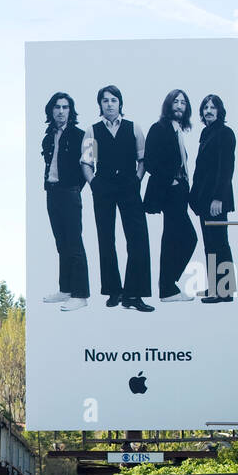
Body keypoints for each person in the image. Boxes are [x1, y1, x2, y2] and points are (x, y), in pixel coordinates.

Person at [86, 85, 153, 313]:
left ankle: (134, 294)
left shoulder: (134, 128)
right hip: (103, 186)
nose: (109, 104)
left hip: (129, 185)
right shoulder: (92, 130)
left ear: (120, 103)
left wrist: (137, 179)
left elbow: (142, 159)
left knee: (138, 239)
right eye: (105, 100)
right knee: (106, 239)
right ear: (100, 105)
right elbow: (86, 163)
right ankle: (114, 291)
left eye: (113, 100)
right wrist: (94, 183)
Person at [40, 93, 93, 311]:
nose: (61, 111)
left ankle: (81, 294)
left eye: (65, 107)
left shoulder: (84, 136)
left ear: (70, 111)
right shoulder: (47, 136)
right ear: (51, 111)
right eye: (57, 107)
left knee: (74, 242)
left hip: (70, 192)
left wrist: (74, 188)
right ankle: (66, 289)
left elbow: (90, 164)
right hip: (51, 192)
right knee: (61, 243)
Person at [143, 89, 197, 304]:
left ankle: (167, 288)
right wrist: (171, 180)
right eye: (176, 101)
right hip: (169, 190)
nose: (180, 105)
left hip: (181, 191)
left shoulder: (179, 132)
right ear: (168, 105)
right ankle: (167, 286)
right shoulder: (159, 129)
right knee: (187, 238)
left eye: (183, 102)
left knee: (173, 238)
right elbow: (150, 162)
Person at [189, 94, 237, 303]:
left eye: (213, 107)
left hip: (216, 200)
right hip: (204, 200)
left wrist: (218, 198)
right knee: (210, 244)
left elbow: (226, 168)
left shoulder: (225, 133)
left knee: (219, 242)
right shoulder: (206, 133)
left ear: (220, 111)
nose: (208, 110)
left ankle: (224, 291)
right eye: (205, 107)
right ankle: (214, 288)